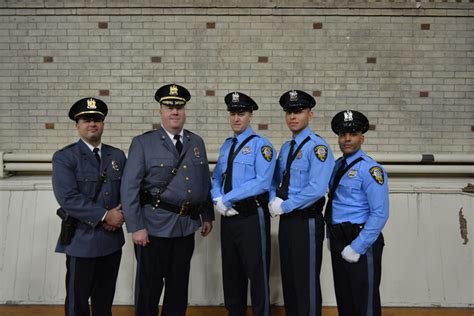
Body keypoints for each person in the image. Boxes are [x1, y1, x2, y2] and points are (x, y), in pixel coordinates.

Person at [121, 84, 214, 316]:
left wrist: (206, 214)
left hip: (185, 228)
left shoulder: (196, 142)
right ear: (161, 111)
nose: (175, 112)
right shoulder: (143, 143)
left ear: (184, 111)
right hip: (152, 229)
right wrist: (136, 226)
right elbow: (129, 187)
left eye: (179, 107)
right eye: (169, 107)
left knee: (178, 289)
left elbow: (203, 182)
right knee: (149, 289)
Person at [52, 97, 126, 316]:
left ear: (103, 123)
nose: (92, 123)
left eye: (97, 119)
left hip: (111, 242)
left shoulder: (117, 156)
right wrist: (106, 216)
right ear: (77, 125)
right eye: (86, 119)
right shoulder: (65, 157)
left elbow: (128, 191)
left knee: (105, 300)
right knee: (78, 302)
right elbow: (68, 198)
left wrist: (119, 216)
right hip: (81, 241)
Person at [268, 89, 335, 316]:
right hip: (287, 221)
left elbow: (316, 189)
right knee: (290, 281)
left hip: (306, 221)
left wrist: (284, 205)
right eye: (288, 112)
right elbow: (275, 181)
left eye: (298, 111)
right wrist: (271, 200)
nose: (293, 116)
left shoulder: (318, 148)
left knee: (306, 282)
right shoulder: (287, 147)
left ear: (310, 115)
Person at [211, 92, 276, 316]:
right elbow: (217, 178)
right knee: (231, 273)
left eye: (241, 113)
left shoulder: (262, 146)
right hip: (228, 217)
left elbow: (263, 182)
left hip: (251, 216)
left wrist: (227, 198)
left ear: (250, 116)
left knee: (257, 273)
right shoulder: (226, 145)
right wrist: (216, 198)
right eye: (233, 113)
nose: (236, 118)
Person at [325, 110, 389, 316]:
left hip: (361, 239)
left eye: (352, 134)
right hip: (338, 238)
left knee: (365, 302)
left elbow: (380, 213)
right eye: (343, 134)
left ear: (362, 137)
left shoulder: (370, 169)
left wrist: (358, 246)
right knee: (345, 300)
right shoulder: (336, 166)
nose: (347, 139)